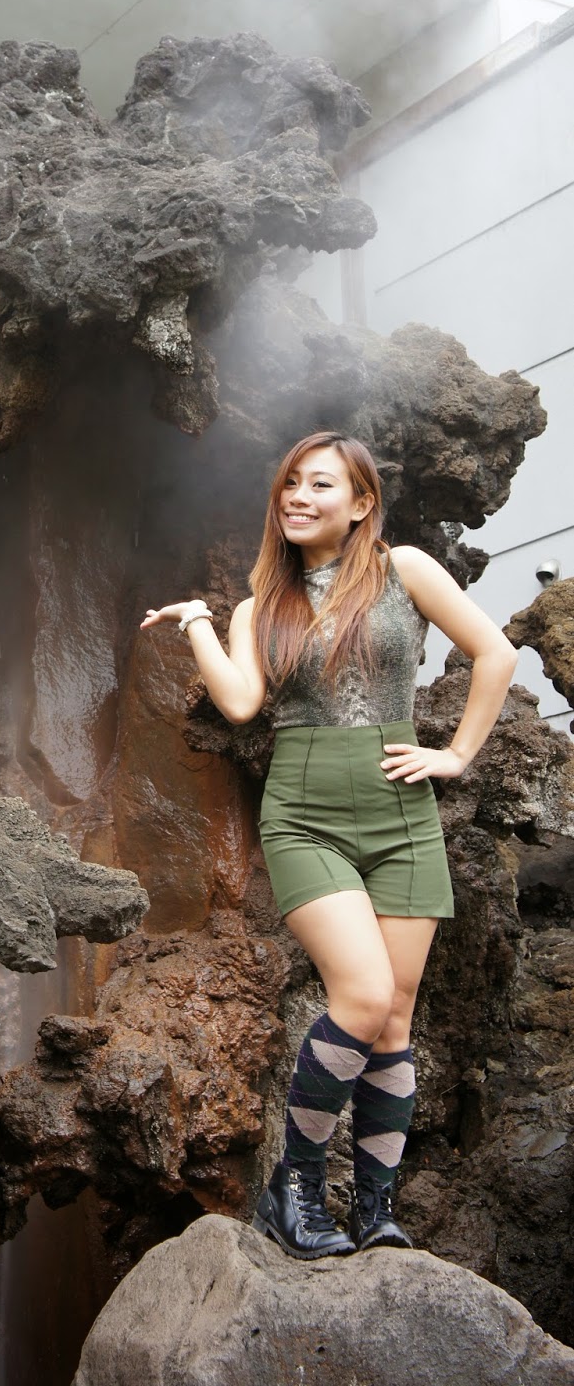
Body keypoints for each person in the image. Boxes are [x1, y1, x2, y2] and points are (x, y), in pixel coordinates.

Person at [140, 431, 518, 1259]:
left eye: (320, 484)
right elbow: (240, 704)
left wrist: (454, 754)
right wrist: (200, 623)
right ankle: (295, 1188)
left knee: (394, 1017)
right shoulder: (260, 606)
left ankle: (374, 1209)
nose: (299, 497)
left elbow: (494, 654)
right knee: (362, 996)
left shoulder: (403, 570)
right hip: (303, 813)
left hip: (400, 810)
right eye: (290, 484)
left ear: (360, 503)